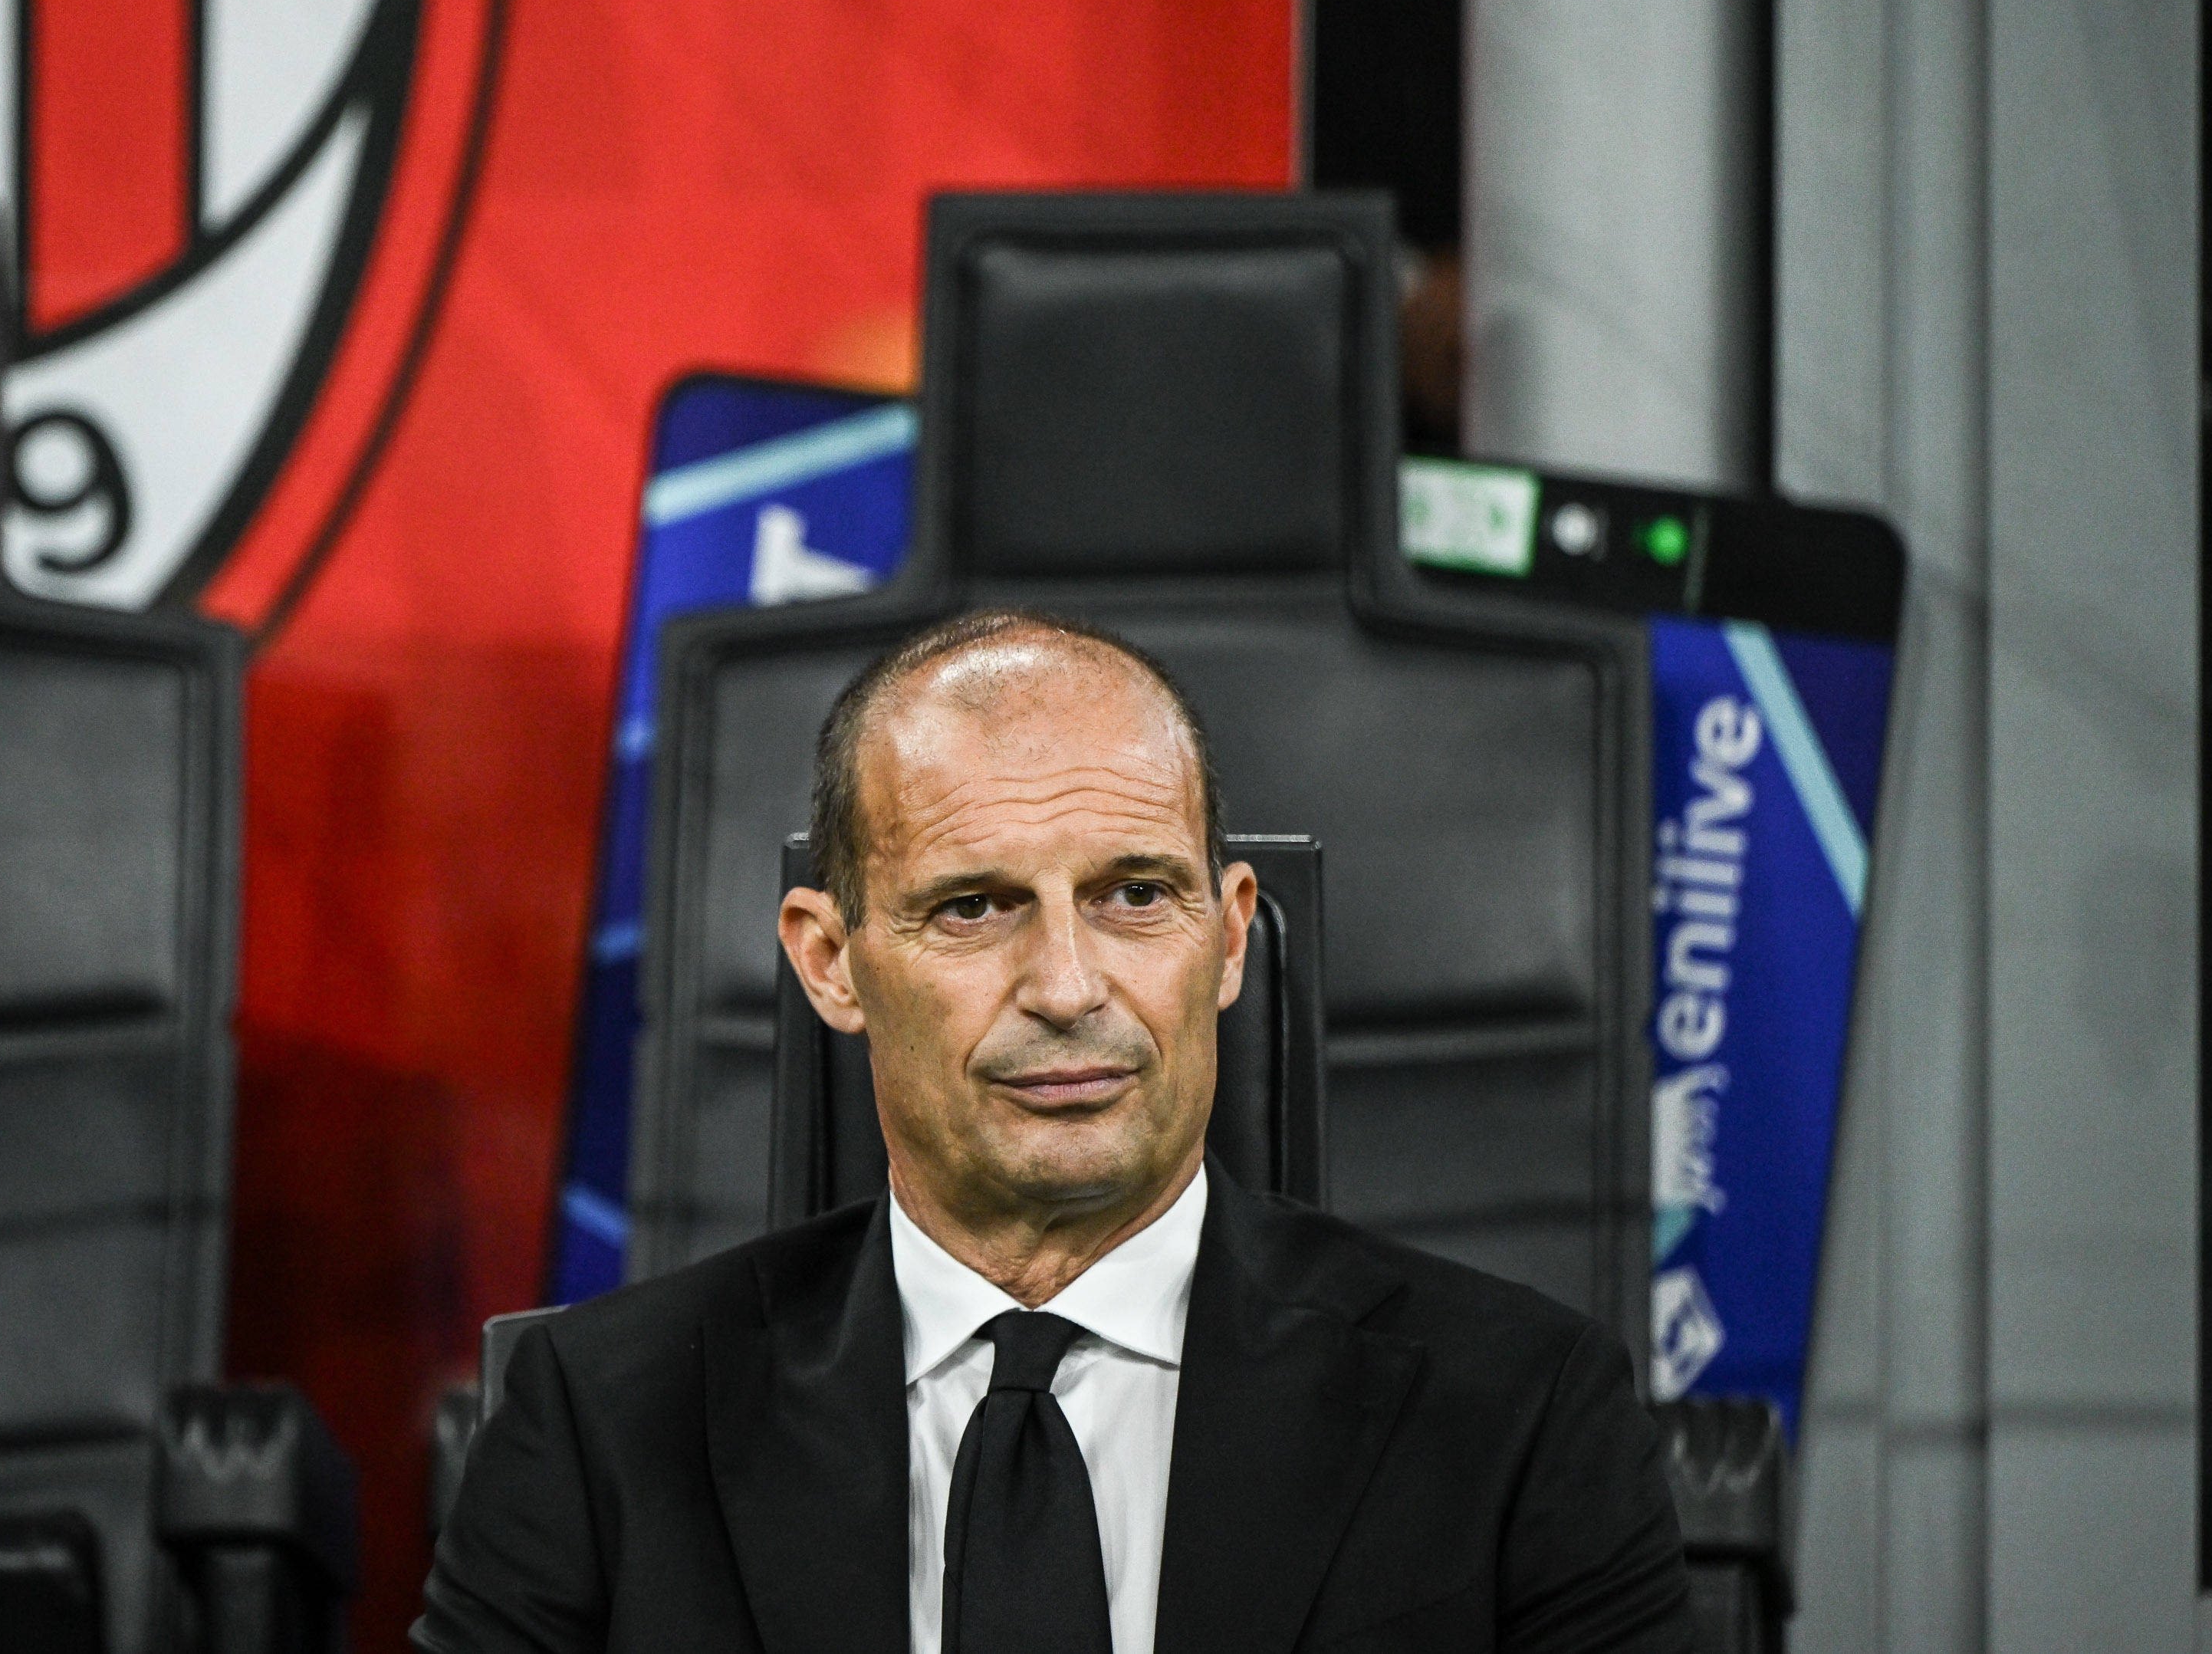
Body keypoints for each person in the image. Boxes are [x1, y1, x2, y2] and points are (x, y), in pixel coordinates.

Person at [419, 610, 1694, 1653]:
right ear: (829, 963)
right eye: (974, 909)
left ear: (1230, 936)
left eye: (1135, 894)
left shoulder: (1521, 1418)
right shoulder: (599, 1427)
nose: (1070, 987)